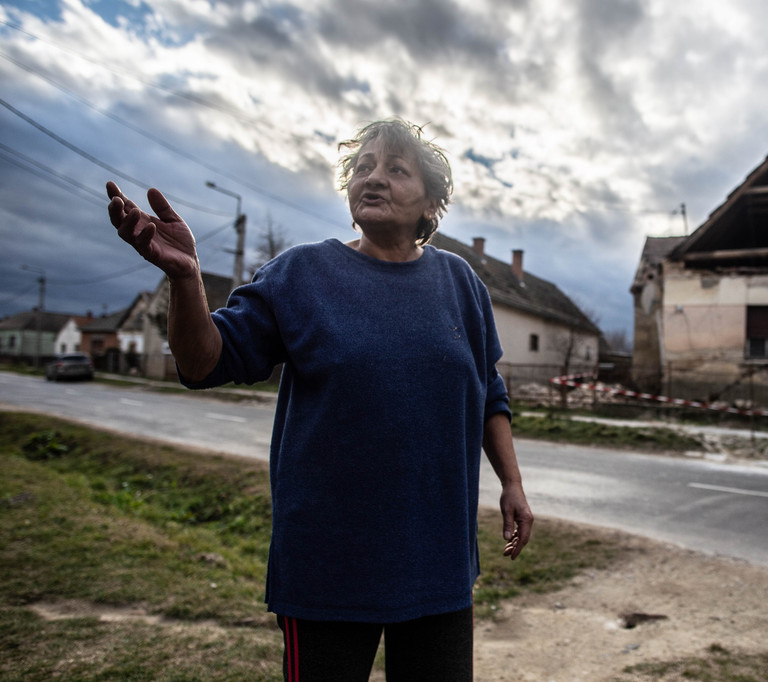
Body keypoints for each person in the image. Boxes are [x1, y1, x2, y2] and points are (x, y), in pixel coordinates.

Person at [106, 118, 533, 681]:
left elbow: (488, 388)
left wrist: (513, 483)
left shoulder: (460, 283)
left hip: (439, 561)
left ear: (432, 202)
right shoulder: (301, 275)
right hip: (329, 566)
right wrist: (186, 280)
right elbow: (202, 361)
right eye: (362, 168)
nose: (373, 179)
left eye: (396, 169)